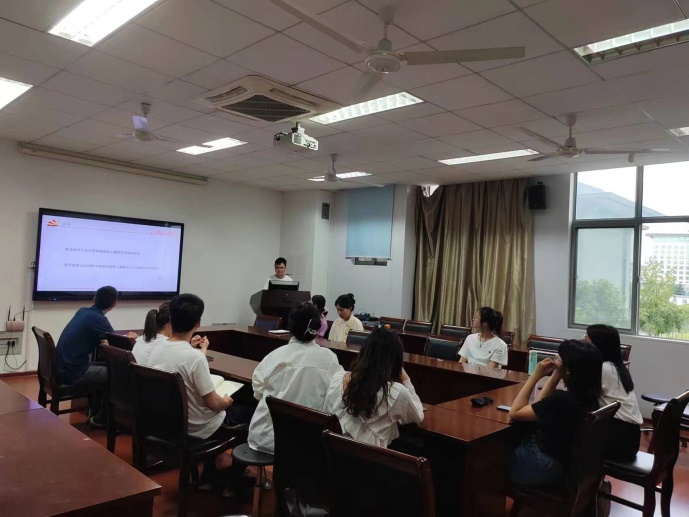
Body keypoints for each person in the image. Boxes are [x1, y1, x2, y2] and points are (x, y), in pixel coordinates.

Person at [248, 302, 343, 453]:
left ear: (290, 326)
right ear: (317, 327)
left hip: (265, 438)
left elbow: (257, 391)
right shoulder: (329, 359)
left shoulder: (275, 356)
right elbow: (337, 395)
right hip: (305, 444)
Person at [507, 339, 602, 487]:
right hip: (564, 466)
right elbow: (540, 406)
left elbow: (515, 412)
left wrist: (535, 375)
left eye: (558, 358)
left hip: (543, 465)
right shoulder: (590, 399)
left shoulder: (561, 400)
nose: (555, 360)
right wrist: (556, 374)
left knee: (492, 455)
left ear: (568, 369)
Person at [325, 327, 424, 448]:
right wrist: (405, 378)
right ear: (396, 361)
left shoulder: (338, 378)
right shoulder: (396, 392)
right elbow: (418, 415)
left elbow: (327, 415)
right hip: (369, 458)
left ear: (364, 351)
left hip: (333, 452)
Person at [56, 286, 136, 427]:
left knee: (106, 368)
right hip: (74, 372)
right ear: (114, 304)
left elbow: (105, 340)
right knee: (118, 374)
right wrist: (128, 338)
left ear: (94, 298)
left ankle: (97, 412)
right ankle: (104, 418)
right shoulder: (99, 319)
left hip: (62, 367)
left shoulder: (82, 311)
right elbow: (116, 347)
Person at [586, 324, 642, 461]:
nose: (583, 343)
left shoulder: (603, 369)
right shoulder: (615, 366)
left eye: (586, 339)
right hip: (631, 437)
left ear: (597, 345)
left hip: (619, 439)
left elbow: (581, 394)